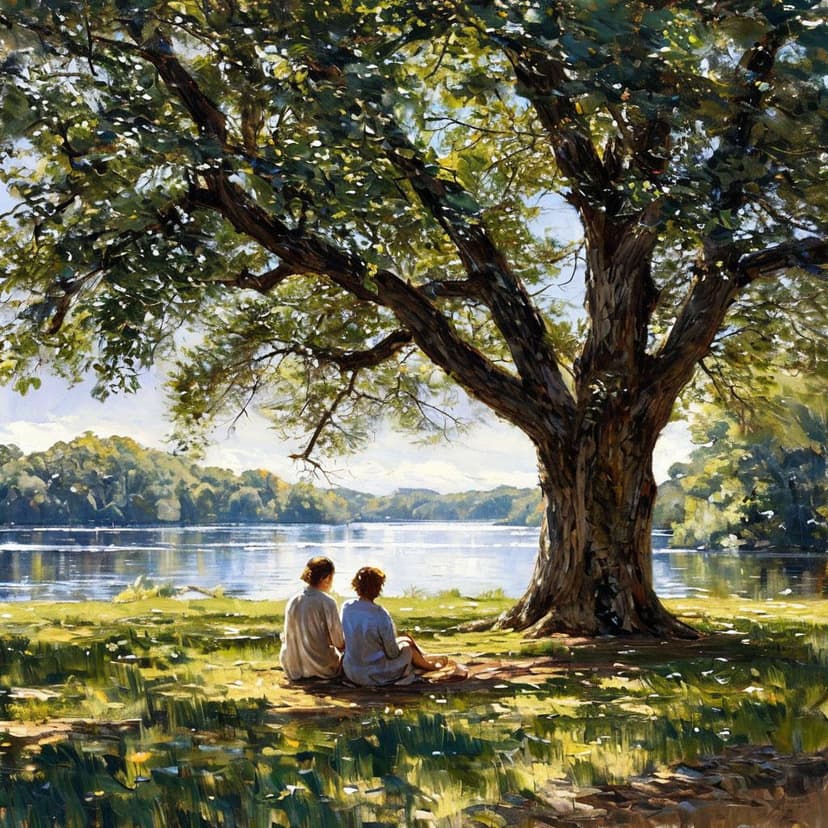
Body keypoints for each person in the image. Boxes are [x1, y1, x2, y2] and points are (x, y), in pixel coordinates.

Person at [341, 566, 444, 686]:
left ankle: (426, 659)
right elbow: (392, 653)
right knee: (407, 647)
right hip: (374, 674)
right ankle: (430, 666)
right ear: (377, 588)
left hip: (352, 671)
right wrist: (402, 644)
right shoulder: (380, 613)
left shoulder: (347, 607)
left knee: (405, 639)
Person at [279, 556, 345, 681]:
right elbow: (339, 643)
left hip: (293, 667)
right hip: (322, 668)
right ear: (326, 578)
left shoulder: (293, 600)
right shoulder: (328, 602)